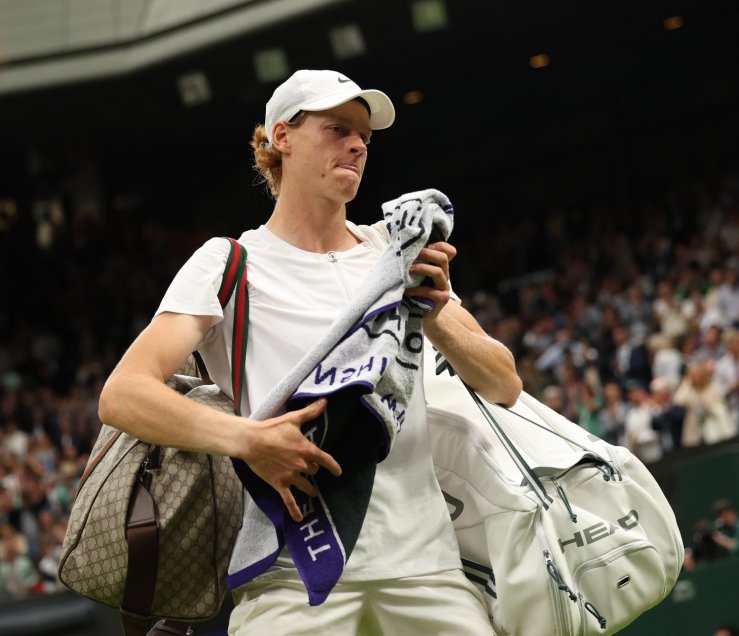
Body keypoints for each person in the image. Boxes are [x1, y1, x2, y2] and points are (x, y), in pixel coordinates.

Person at [98, 69, 521, 635]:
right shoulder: (228, 263)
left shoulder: (393, 252)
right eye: (337, 128)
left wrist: (437, 313)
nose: (357, 145)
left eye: (364, 137)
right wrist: (248, 440)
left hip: (426, 568)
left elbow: (504, 385)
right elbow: (123, 395)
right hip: (291, 575)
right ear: (282, 138)